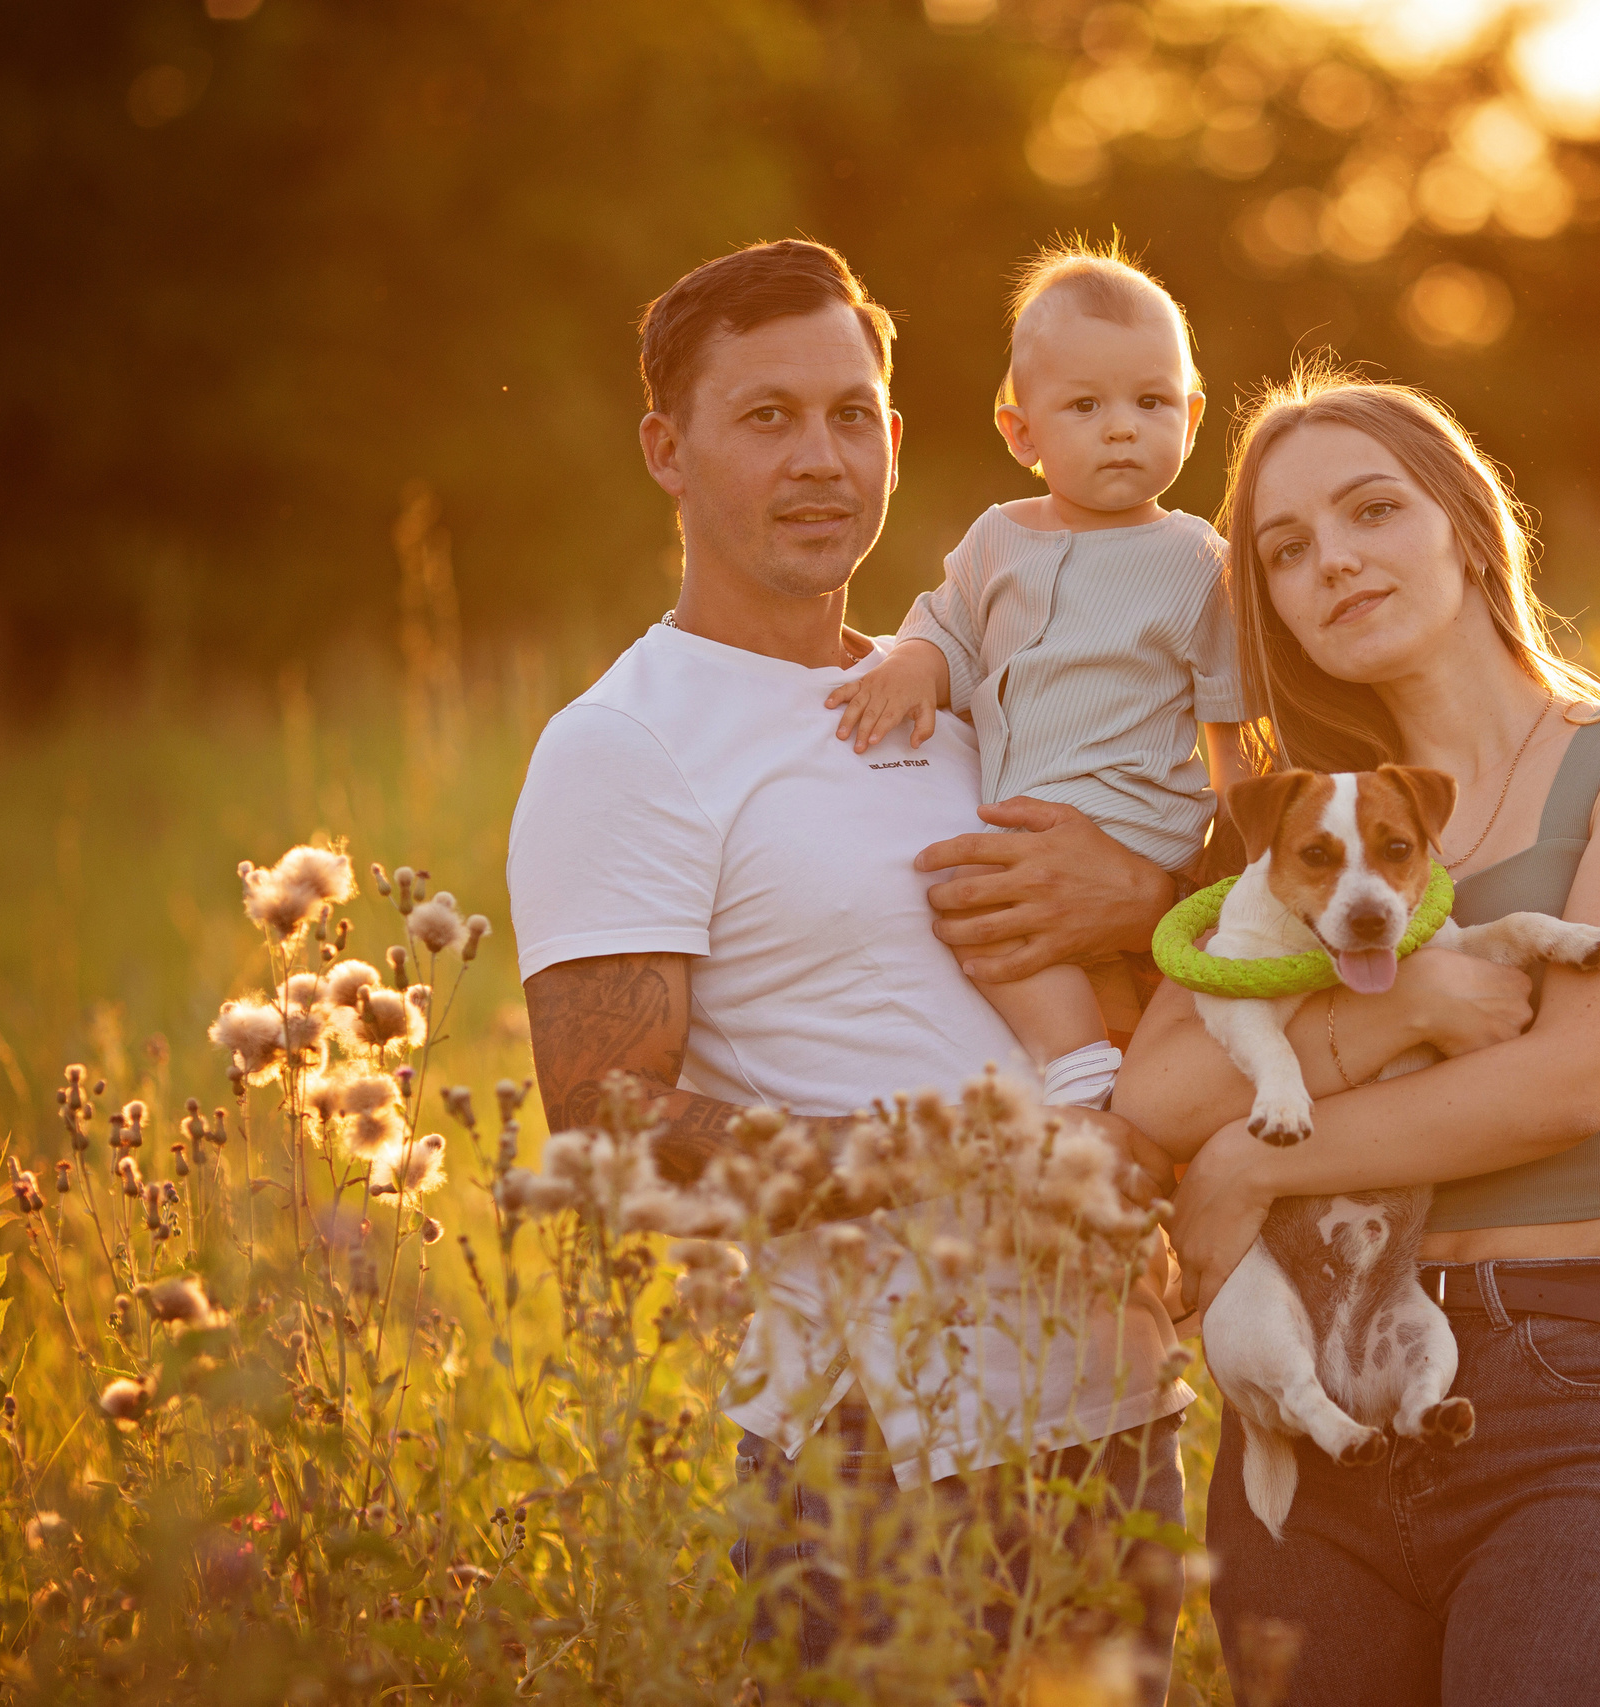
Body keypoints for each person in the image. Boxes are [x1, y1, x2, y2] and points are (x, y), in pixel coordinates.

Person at [504, 238, 1195, 1695]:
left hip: (1117, 1416)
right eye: (763, 417)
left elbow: (1140, 924)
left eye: (848, 415)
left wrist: (1145, 885)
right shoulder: (629, 741)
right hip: (885, 1457)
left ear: (894, 437)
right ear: (666, 450)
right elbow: (609, 1134)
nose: (818, 458)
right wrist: (972, 1158)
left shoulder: (965, 700)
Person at [1111, 368, 1600, 1707]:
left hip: (1556, 1391)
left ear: (1464, 520)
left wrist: (1261, 1162)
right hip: (1301, 1398)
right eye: (1285, 550)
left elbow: (1567, 1082)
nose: (1331, 558)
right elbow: (1160, 1090)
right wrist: (1401, 1009)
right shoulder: (1298, 833)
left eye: (1371, 509)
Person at [826, 239, 1249, 1111]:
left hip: (1135, 819)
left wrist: (1236, 834)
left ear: (1193, 418)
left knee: (990, 906)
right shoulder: (996, 539)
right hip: (1026, 816)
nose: (1124, 425)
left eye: (1151, 401)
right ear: (1023, 432)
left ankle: (1078, 1061)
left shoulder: (1196, 562)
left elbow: (1230, 718)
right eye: (1086, 405)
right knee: (974, 905)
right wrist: (913, 661)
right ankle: (1100, 1057)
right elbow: (947, 631)